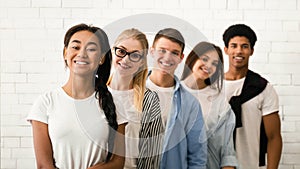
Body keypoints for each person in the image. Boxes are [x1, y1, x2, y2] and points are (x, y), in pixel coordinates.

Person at [27, 23, 127, 169]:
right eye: (76, 47)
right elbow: (43, 165)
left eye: (91, 49)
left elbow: (118, 163)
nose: (82, 54)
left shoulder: (115, 103)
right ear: (65, 53)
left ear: (101, 58)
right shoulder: (45, 103)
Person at [222, 24, 282, 169]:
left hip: (251, 164)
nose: (239, 51)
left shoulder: (262, 88)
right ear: (226, 50)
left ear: (251, 51)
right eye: (234, 46)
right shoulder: (213, 87)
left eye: (244, 46)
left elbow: (274, 137)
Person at [147, 28, 207, 169]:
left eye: (174, 53)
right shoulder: (133, 90)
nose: (167, 57)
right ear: (152, 51)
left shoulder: (190, 103)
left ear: (181, 58)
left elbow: (197, 156)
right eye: (162, 50)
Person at [107, 28, 163, 169]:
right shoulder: (94, 93)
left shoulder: (149, 100)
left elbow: (151, 156)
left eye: (135, 55)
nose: (126, 59)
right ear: (113, 52)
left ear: (141, 62)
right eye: (121, 51)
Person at [180, 41, 238, 169]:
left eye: (214, 64)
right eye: (204, 59)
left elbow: (227, 151)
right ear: (193, 58)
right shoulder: (173, 92)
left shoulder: (219, 102)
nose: (208, 66)